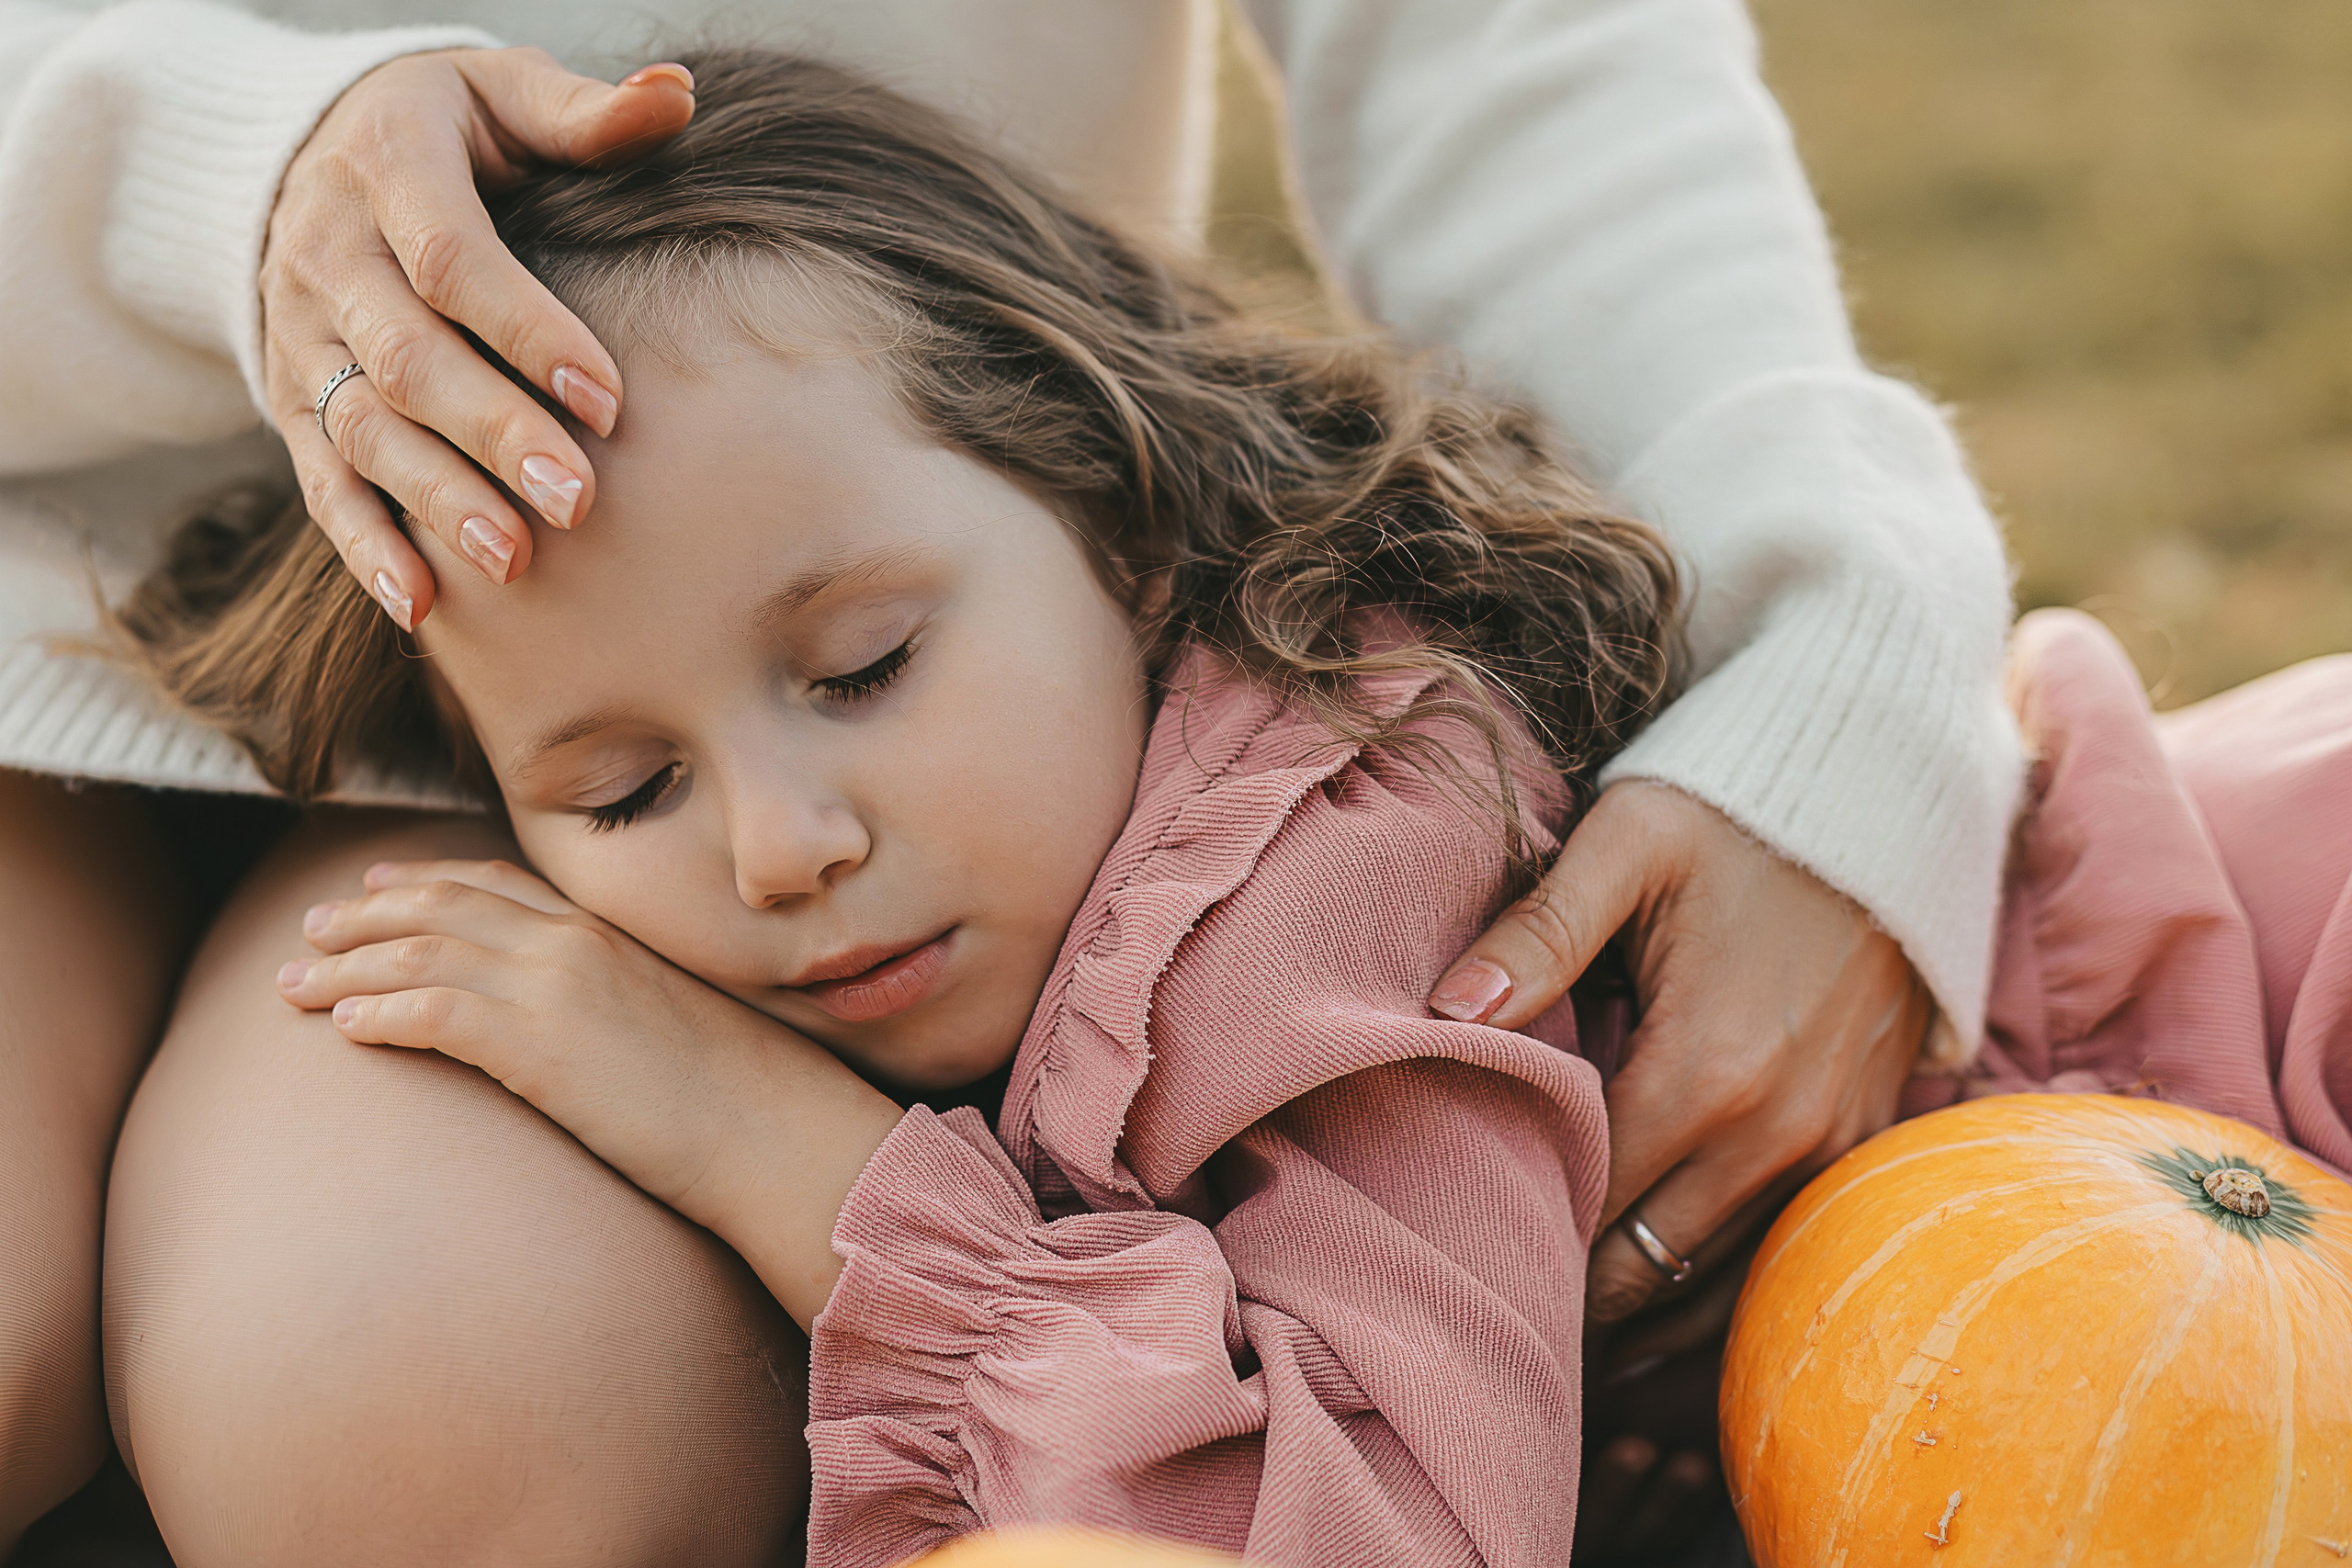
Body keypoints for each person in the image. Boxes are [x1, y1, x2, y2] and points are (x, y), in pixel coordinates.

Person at [0, 0, 2018, 1552]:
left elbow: (1380, 1533)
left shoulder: (1343, 857)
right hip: (89, 628)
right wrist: (205, 170)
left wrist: (778, 1153)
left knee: (413, 1426)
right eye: (624, 795)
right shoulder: (905, 769)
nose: (785, 851)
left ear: (1121, 521)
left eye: (867, 668)